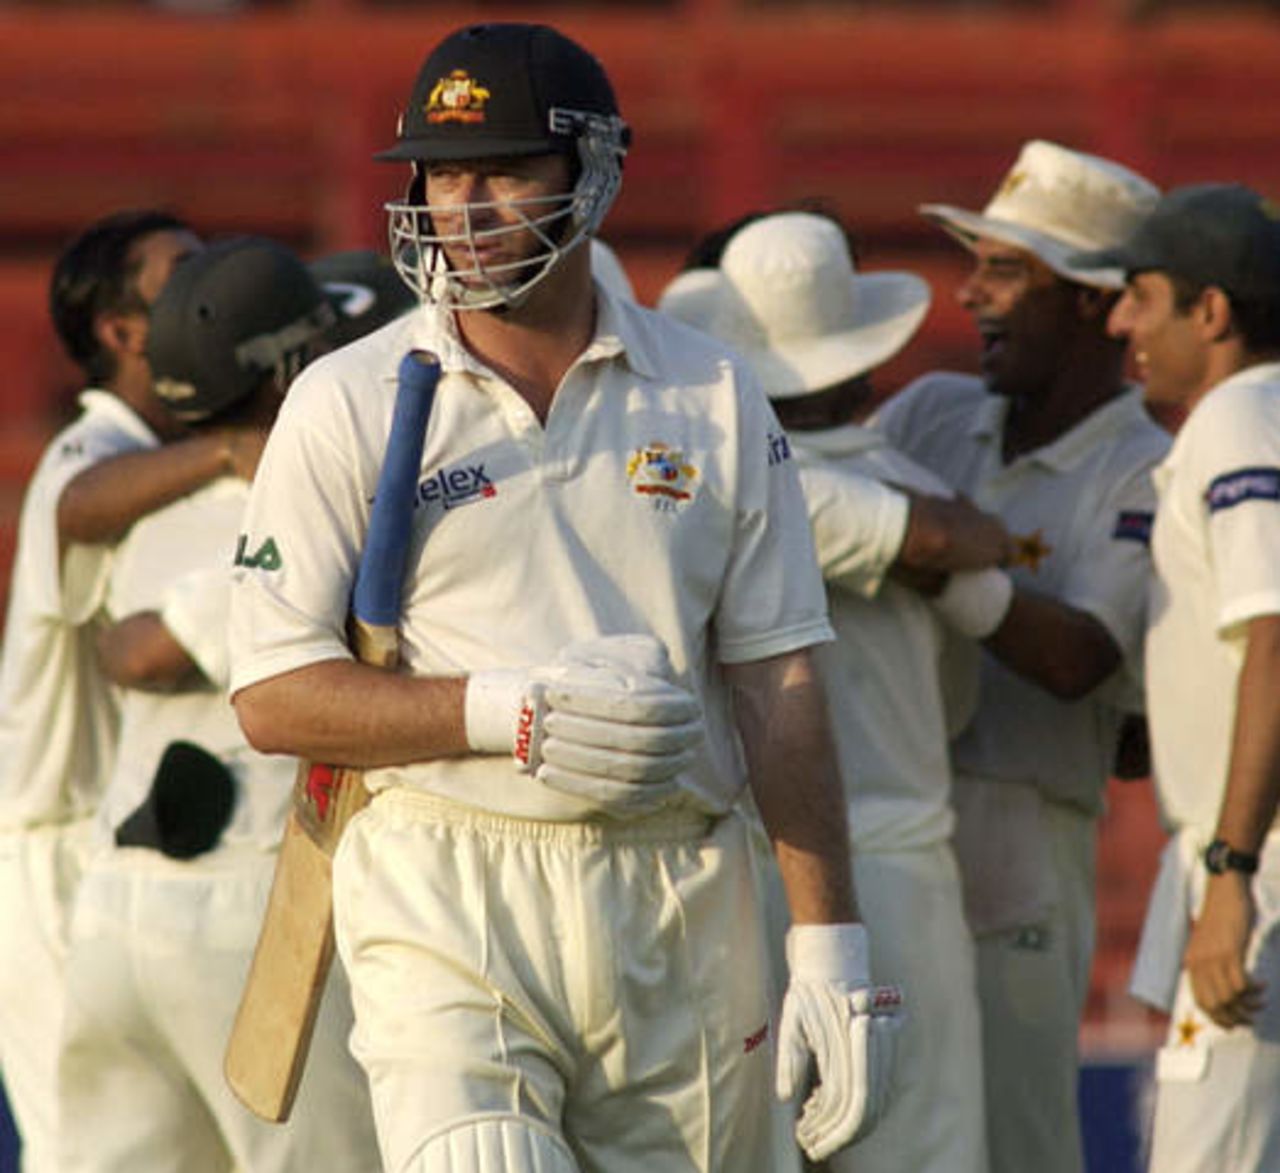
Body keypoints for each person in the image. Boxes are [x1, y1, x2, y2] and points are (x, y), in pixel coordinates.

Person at [228, 21, 902, 1173]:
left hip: (678, 891)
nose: (465, 207)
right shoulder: (348, 400)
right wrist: (506, 712)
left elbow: (776, 674)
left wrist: (829, 942)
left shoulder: (713, 394)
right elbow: (274, 696)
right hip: (445, 878)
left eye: (503, 171)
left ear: (590, 175)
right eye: (443, 174)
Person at [660, 209, 1016, 1173]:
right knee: (921, 1147)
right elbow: (971, 612)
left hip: (747, 874)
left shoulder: (702, 484)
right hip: (896, 871)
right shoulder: (890, 487)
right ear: (862, 361)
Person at [873, 139, 1173, 1173]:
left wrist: (934, 560)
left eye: (1007, 271)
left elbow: (1079, 657)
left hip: (1022, 831)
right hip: (883, 823)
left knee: (1014, 1145)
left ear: (1095, 302)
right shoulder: (929, 412)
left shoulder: (1147, 469)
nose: (971, 295)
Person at [56, 236, 381, 1173]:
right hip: (251, 906)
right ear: (295, 364)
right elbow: (149, 651)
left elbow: (92, 557)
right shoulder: (317, 501)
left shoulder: (141, 500)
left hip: (115, 910)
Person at [0, 209, 268, 1173]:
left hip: (114, 843)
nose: (214, 279)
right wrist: (229, 450)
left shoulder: (155, 454)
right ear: (119, 332)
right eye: (184, 271)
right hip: (49, 850)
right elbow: (78, 505)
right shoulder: (93, 449)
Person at [1073, 184, 1280, 1173]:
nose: (1119, 322)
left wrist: (1231, 874)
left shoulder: (1237, 420)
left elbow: (1274, 640)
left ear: (1211, 311)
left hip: (1258, 865)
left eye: (1141, 296)